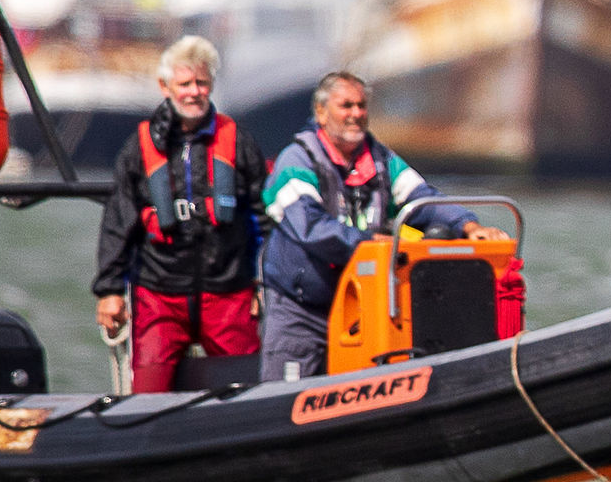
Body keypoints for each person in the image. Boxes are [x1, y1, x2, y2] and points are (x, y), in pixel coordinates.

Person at [259, 70, 487, 382]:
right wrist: (369, 242)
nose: (356, 114)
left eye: (362, 106)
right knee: (284, 401)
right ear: (321, 112)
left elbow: (423, 200)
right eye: (346, 106)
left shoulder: (382, 161)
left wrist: (467, 225)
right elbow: (308, 226)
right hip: (304, 310)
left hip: (365, 308)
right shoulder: (296, 161)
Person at [91, 36, 275, 391]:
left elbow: (265, 215)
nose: (194, 92)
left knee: (246, 395)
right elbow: (118, 220)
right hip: (159, 295)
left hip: (229, 293)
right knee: (147, 394)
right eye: (185, 84)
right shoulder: (138, 146)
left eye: (201, 83)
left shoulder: (237, 140)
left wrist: (265, 282)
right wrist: (109, 290)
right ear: (165, 86)